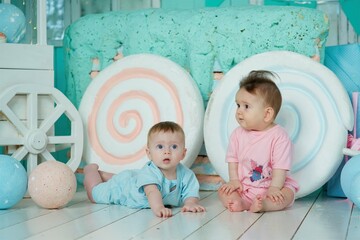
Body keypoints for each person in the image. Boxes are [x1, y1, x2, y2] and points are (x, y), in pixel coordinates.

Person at [83, 121, 205, 218]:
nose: (167, 151)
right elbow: (152, 192)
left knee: (127, 177)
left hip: (134, 177)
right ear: (149, 153)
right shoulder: (150, 173)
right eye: (160, 146)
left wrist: (190, 203)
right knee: (95, 195)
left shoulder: (187, 175)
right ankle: (91, 171)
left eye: (174, 146)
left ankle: (104, 175)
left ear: (183, 153)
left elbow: (191, 193)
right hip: (124, 189)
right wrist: (158, 208)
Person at [218, 70, 299, 213]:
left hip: (273, 186)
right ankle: (241, 202)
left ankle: (265, 205)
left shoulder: (279, 136)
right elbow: (233, 160)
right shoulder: (237, 134)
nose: (239, 111)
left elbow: (280, 167)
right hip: (244, 186)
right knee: (223, 190)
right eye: (238, 105)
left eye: (246, 106)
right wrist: (234, 180)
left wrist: (274, 188)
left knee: (286, 194)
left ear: (267, 114)